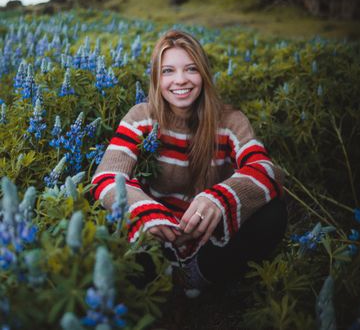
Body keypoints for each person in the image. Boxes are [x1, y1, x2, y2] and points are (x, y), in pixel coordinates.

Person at [91, 30, 287, 297]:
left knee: (273, 213)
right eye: (168, 71)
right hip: (154, 235)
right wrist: (144, 211)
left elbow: (267, 171)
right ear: (157, 78)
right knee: (104, 218)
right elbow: (107, 177)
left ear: (203, 74)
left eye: (191, 69)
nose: (180, 80)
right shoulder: (141, 116)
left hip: (209, 240)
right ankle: (162, 278)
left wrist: (220, 198)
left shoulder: (230, 121)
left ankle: (197, 275)